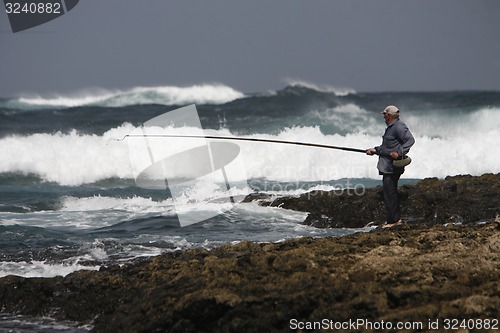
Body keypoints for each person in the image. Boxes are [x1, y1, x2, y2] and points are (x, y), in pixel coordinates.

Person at [366, 105, 415, 228]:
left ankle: (394, 221)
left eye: (384, 114)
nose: (383, 116)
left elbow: (410, 140)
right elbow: (387, 147)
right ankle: (392, 220)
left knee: (390, 193)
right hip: (387, 165)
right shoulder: (391, 128)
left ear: (389, 115)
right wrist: (375, 150)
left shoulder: (399, 127)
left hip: (392, 166)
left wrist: (399, 152)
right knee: (389, 192)